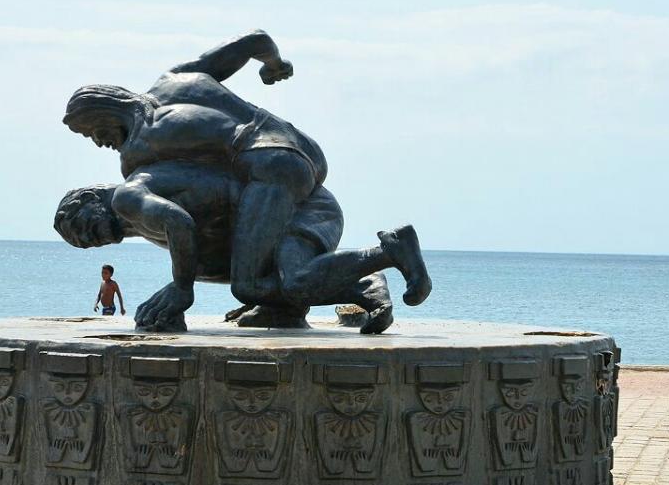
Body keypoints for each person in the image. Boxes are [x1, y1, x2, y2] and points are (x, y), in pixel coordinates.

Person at [59, 30, 429, 311]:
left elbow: (175, 215)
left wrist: (181, 287)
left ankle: (388, 252)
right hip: (304, 153)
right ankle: (352, 287)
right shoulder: (174, 80)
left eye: (92, 131)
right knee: (272, 274)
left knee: (248, 285)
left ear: (102, 111)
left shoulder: (138, 153)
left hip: (267, 166)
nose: (98, 141)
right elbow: (256, 40)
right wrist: (274, 65)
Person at [54, 160, 429, 334]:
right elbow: (216, 255)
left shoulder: (128, 196)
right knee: (256, 286)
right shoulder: (137, 215)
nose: (98, 240)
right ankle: (361, 287)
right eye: (89, 243)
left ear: (92, 199)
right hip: (295, 209)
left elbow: (180, 224)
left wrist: (181, 289)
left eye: (88, 230)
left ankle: (390, 250)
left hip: (301, 209)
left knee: (293, 280)